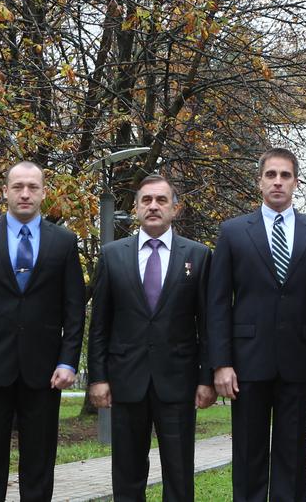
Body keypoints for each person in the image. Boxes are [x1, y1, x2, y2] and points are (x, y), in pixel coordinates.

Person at [208, 148, 306, 502]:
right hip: (247, 362)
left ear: (296, 182)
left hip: (298, 362)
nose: (278, 182)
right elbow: (219, 303)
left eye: (285, 175)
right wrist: (221, 362)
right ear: (260, 182)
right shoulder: (234, 232)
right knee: (249, 454)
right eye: (271, 175)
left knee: (293, 455)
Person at [0, 160, 87, 502]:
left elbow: (74, 309)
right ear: (5, 193)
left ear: (43, 193)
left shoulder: (65, 242)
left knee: (39, 461)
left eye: (33, 187)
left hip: (45, 372)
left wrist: (68, 362)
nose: (25, 194)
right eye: (18, 187)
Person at [88, 174, 214, 501]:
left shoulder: (198, 256)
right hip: (126, 380)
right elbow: (100, 324)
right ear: (136, 208)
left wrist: (206, 379)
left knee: (179, 472)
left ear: (175, 208)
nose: (153, 206)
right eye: (146, 200)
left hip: (178, 382)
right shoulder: (112, 255)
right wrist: (98, 377)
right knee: (127, 474)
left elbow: (208, 323)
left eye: (161, 200)